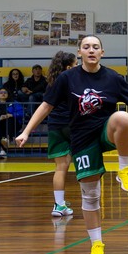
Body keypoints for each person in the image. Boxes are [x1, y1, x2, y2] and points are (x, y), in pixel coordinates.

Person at [15, 35, 128, 254]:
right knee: (91, 196)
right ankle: (96, 244)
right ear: (79, 52)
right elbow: (46, 105)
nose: (91, 50)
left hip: (105, 131)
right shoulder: (67, 78)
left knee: (123, 117)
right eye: (87, 47)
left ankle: (124, 170)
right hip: (82, 140)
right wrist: (26, 131)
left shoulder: (113, 78)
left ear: (102, 53)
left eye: (96, 47)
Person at [45, 51, 78, 217]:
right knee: (85, 164)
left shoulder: (52, 82)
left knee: (60, 167)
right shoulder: (72, 80)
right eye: (76, 64)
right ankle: (90, 201)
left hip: (55, 125)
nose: (78, 66)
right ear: (68, 67)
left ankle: (59, 205)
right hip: (72, 125)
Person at [0, 88, 24, 159]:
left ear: (8, 94)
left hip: (13, 124)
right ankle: (2, 150)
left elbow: (22, 113)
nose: (3, 94)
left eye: (5, 92)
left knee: (9, 119)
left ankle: (7, 138)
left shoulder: (14, 103)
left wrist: (11, 115)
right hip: (0, 125)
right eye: (1, 92)